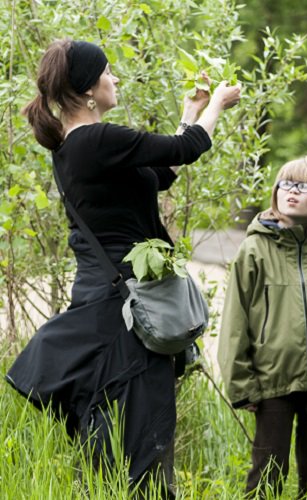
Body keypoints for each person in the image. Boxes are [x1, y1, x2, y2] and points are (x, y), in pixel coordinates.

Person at [5, 38, 240, 495]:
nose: (115, 79)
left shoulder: (83, 147)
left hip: (111, 303)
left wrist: (190, 110)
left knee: (119, 431)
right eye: (108, 71)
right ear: (90, 87)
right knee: (144, 434)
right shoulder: (95, 139)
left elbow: (162, 172)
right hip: (124, 309)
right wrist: (218, 107)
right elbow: (188, 148)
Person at [218, 157, 307, 498]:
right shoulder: (253, 250)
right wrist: (242, 385)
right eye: (285, 184)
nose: (291, 192)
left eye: (302, 186)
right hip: (272, 383)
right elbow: (235, 321)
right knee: (267, 476)